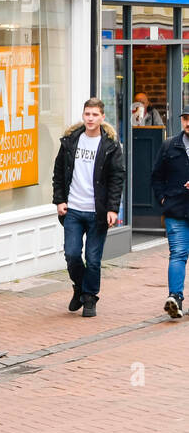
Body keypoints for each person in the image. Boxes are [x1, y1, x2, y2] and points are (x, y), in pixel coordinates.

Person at [52, 98, 124, 318]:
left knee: (93, 259)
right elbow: (58, 173)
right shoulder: (71, 141)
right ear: (83, 116)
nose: (90, 118)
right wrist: (59, 200)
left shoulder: (110, 145)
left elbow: (117, 178)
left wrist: (113, 209)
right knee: (72, 254)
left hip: (97, 212)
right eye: (87, 114)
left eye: (95, 115)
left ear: (102, 117)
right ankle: (80, 287)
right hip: (73, 209)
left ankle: (90, 297)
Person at [150, 111, 189, 319]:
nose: (188, 123)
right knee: (178, 253)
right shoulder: (169, 145)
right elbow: (156, 176)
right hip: (176, 209)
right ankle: (175, 298)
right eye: (186, 119)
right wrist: (163, 199)